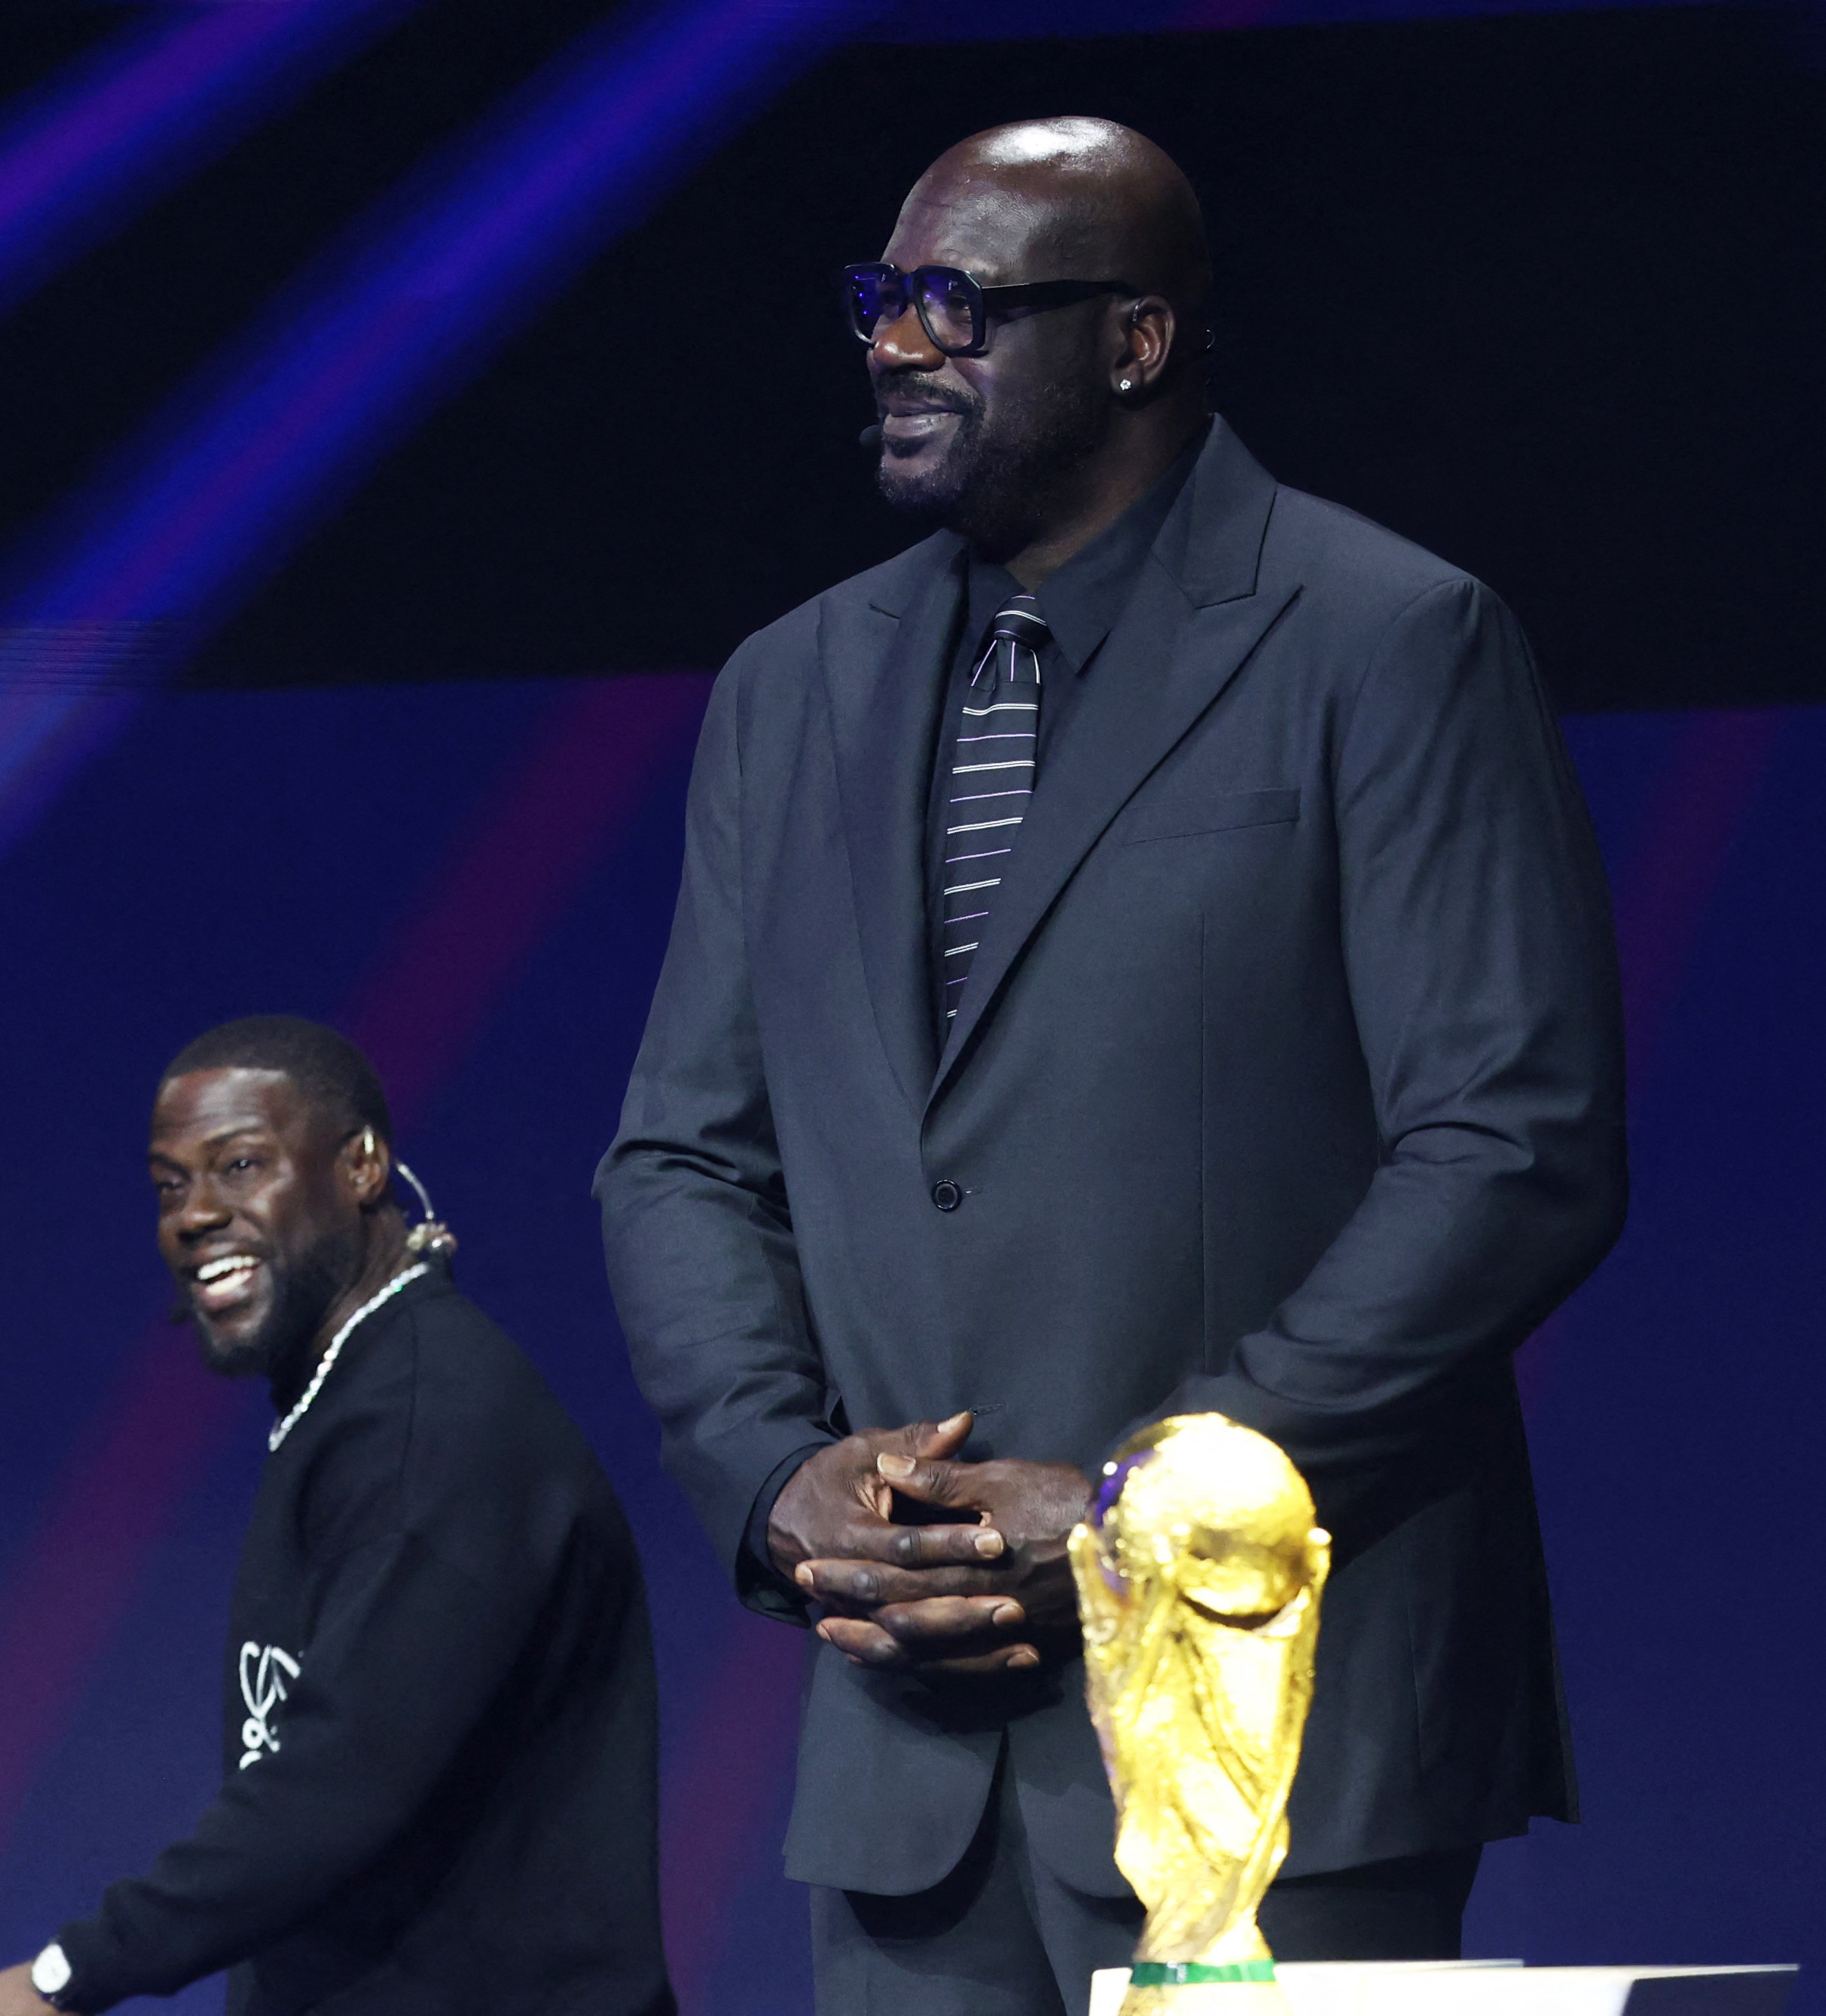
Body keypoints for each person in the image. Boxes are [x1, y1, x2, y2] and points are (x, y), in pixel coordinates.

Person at [596, 118, 1625, 2013]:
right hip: (911, 1752)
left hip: (1269, 1727)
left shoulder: (1386, 639)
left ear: (1137, 342)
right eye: (879, 300)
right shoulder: (788, 690)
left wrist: (1150, 1492)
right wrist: (776, 1479)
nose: (892, 346)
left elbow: (1513, 1147)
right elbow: (685, 1157)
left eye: (952, 304)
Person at [0, 1016, 673, 2016]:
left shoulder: (431, 1423)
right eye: (169, 1186)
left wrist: (66, 1977)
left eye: (240, 1165)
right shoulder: (348, 1401)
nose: (195, 1214)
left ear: (362, 1165)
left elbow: (339, 1782)